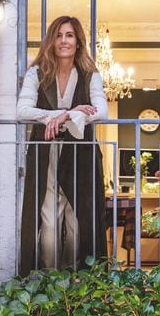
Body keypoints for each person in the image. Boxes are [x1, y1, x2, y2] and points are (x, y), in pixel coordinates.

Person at [17, 15, 108, 275]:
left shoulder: (91, 76)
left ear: (78, 41)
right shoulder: (37, 72)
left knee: (80, 222)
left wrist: (68, 115)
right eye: (58, 35)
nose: (64, 41)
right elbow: (21, 110)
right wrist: (55, 116)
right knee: (47, 222)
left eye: (69, 35)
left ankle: (79, 284)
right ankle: (48, 280)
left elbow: (102, 111)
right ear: (51, 41)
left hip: (81, 155)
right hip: (46, 154)